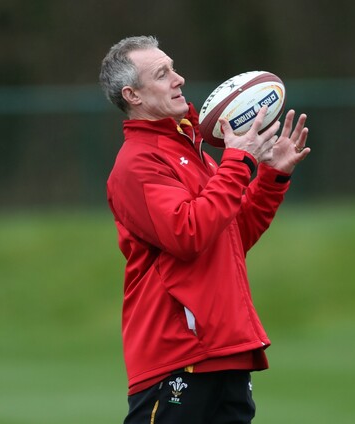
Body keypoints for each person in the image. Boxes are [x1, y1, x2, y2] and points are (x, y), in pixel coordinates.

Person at [99, 35, 310, 424]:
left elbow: (230, 238)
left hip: (225, 350)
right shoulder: (137, 164)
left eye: (174, 68)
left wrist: (270, 177)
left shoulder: (191, 152)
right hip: (178, 354)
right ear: (133, 95)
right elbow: (188, 234)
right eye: (162, 74)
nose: (178, 79)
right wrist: (237, 162)